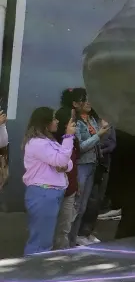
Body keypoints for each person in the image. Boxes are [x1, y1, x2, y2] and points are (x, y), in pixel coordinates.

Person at [22, 107, 75, 255]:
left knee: (44, 239)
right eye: (54, 118)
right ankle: (32, 273)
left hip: (50, 193)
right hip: (43, 194)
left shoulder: (48, 140)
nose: (57, 121)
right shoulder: (37, 143)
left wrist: (61, 164)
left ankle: (38, 271)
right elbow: (62, 159)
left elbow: (67, 164)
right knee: (40, 242)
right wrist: (69, 137)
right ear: (45, 122)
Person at [62, 87, 110, 246]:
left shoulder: (91, 119)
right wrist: (99, 135)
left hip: (93, 164)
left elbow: (99, 142)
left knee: (83, 205)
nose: (89, 102)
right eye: (84, 99)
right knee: (76, 204)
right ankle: (67, 240)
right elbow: (80, 147)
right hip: (81, 166)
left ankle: (75, 238)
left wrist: (103, 132)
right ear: (75, 103)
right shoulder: (74, 121)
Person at [51, 106, 83, 249]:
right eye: (72, 119)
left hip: (70, 189)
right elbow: (61, 163)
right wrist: (68, 137)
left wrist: (76, 185)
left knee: (65, 227)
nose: (75, 122)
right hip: (55, 190)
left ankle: (62, 256)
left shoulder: (73, 140)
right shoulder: (52, 142)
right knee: (52, 227)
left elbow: (74, 165)